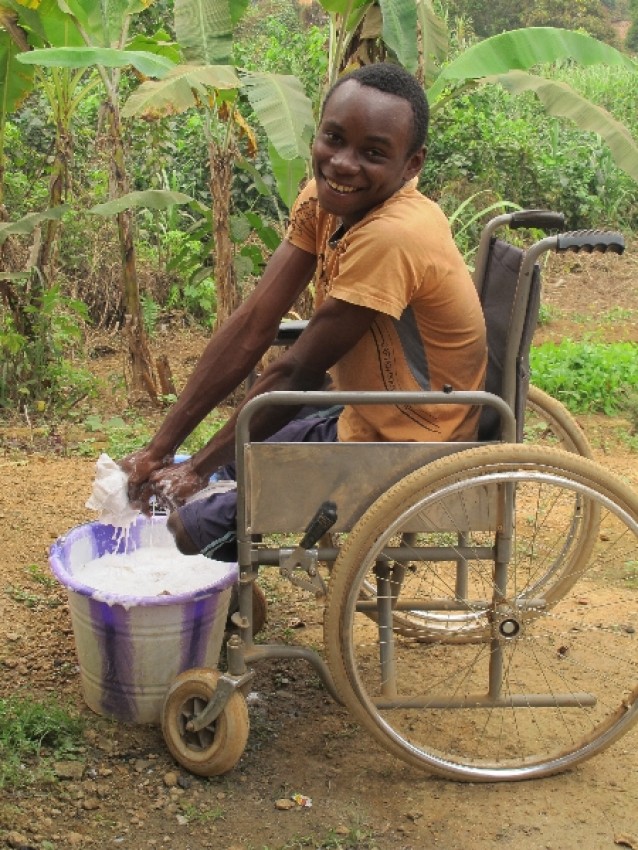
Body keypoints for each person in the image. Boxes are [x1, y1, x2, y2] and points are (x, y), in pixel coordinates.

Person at [123, 62, 487, 560]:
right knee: (221, 471)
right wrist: (159, 449)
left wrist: (197, 470)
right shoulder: (324, 201)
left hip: (410, 433)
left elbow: (297, 370)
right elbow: (254, 323)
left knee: (190, 525)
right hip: (363, 407)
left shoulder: (394, 236)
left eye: (373, 152)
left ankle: (228, 604)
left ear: (412, 164)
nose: (342, 163)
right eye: (333, 138)